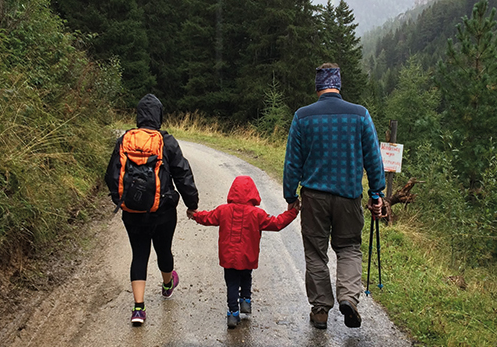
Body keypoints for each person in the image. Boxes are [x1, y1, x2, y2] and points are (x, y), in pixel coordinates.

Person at [283, 63, 385, 330]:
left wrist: (290, 194)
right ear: (338, 84)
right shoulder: (360, 115)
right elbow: (373, 159)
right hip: (349, 196)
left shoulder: (302, 117)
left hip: (314, 198)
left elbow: (292, 162)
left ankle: (320, 311)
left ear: (317, 86)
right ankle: (348, 298)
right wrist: (377, 193)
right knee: (349, 247)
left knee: (316, 253)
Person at [105, 94, 199, 326]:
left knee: (139, 254)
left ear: (138, 116)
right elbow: (182, 174)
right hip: (163, 211)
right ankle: (168, 284)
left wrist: (122, 200)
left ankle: (138, 309)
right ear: (159, 116)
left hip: (132, 213)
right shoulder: (166, 141)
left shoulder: (124, 140)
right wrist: (192, 204)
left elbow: (111, 175)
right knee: (163, 250)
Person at [189, 176, 300, 329]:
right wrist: (292, 212)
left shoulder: (223, 210)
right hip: (248, 256)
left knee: (232, 283)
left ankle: (233, 313)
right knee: (246, 276)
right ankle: (246, 300)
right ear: (253, 193)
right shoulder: (257, 214)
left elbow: (208, 217)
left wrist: (195, 215)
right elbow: (276, 223)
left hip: (228, 256)